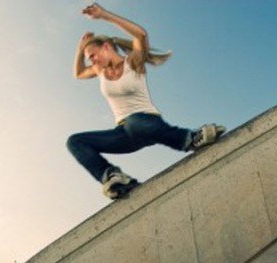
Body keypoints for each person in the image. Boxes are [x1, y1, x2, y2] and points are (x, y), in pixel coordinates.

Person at [67, 2, 226, 200]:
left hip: (148, 124)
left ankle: (190, 138)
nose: (93, 62)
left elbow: (140, 35)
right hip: (123, 135)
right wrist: (81, 47)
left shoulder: (133, 62)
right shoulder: (100, 71)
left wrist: (104, 15)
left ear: (106, 47)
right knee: (75, 142)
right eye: (90, 59)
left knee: (135, 122)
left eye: (93, 56)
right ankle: (112, 177)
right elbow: (79, 73)